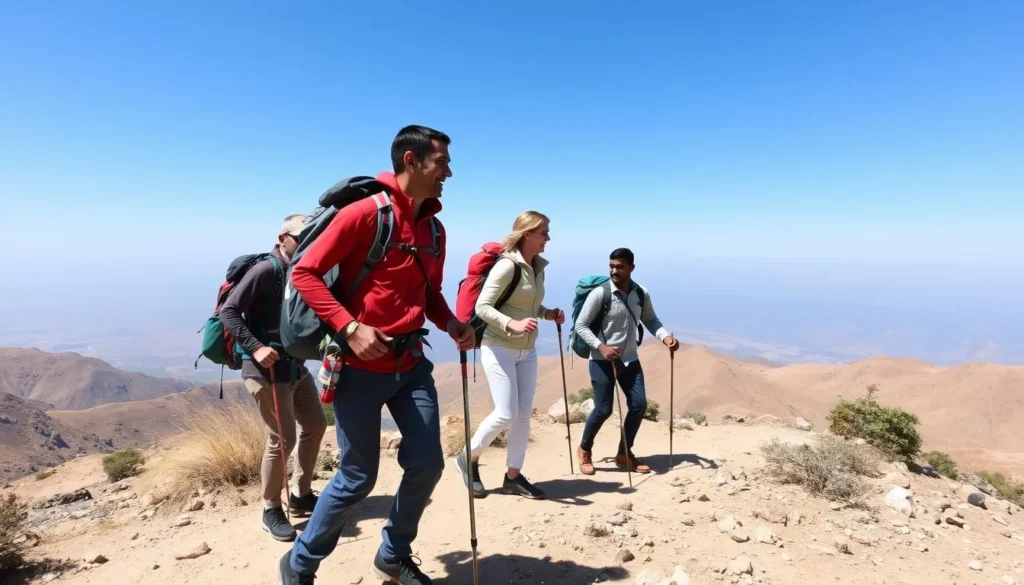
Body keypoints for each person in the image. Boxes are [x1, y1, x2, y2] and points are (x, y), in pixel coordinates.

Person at [275, 125, 475, 585]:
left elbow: (429, 293)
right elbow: (304, 272)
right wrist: (348, 326)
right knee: (357, 476)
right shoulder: (366, 214)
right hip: (359, 369)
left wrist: (451, 323)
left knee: (428, 462)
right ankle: (299, 564)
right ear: (411, 160)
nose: (449, 171)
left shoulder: (434, 229)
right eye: (441, 161)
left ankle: (393, 554)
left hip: (410, 365)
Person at [219, 214, 328, 542]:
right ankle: (270, 508)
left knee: (316, 424)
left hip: (294, 368)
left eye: (311, 236)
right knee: (282, 439)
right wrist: (255, 347)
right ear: (282, 238)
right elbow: (228, 310)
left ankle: (300, 494)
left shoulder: (303, 270)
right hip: (264, 370)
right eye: (299, 237)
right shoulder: (267, 270)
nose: (306, 242)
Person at [454, 211, 565, 500]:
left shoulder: (537, 266)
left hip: (527, 351)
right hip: (499, 347)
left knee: (523, 416)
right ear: (527, 233)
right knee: (506, 413)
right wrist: (511, 324)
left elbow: (528, 305)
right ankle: (468, 456)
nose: (548, 239)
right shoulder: (507, 266)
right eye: (543, 233)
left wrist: (547, 313)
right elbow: (483, 307)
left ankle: (513, 476)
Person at [573, 247, 679, 476]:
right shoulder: (600, 294)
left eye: (619, 266)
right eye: (611, 266)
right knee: (603, 409)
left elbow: (650, 319)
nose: (614, 271)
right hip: (601, 360)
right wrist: (601, 347)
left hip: (630, 359)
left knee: (639, 405)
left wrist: (665, 337)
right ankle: (584, 449)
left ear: (631, 267)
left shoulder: (640, 293)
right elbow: (581, 326)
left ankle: (624, 453)